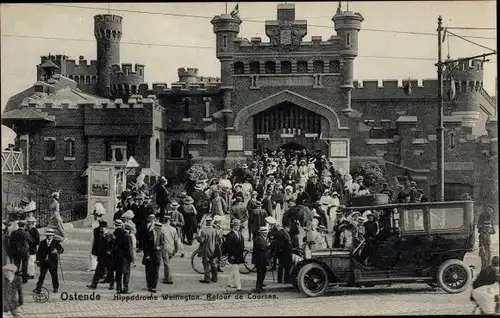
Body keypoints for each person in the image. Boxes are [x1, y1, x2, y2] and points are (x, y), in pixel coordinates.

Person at [87, 221, 115, 291]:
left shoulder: (111, 235)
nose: (101, 229)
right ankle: (93, 285)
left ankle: (112, 285)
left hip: (108, 257)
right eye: (101, 228)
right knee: (97, 272)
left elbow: (114, 246)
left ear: (106, 228)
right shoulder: (100, 235)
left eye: (103, 228)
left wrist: (109, 251)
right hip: (101, 257)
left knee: (110, 272)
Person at [34, 229, 64, 294]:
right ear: (46, 235)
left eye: (50, 235)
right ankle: (38, 289)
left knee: (54, 275)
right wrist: (37, 260)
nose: (49, 237)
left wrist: (57, 251)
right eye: (47, 235)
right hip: (44, 262)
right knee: (41, 276)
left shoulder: (56, 242)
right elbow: (38, 252)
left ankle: (55, 288)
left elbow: (61, 249)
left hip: (53, 262)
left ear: (52, 236)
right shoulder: (42, 242)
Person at [196, 216, 222, 284]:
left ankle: (207, 279)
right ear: (211, 223)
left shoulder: (203, 231)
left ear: (206, 223)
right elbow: (220, 238)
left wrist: (197, 237)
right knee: (213, 264)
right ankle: (215, 278)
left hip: (205, 250)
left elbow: (201, 240)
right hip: (213, 250)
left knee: (206, 264)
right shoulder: (215, 231)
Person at [269, 217, 293, 284]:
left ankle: (280, 280)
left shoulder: (280, 233)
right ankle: (286, 280)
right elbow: (281, 244)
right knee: (286, 267)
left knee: (281, 267)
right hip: (286, 253)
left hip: (282, 252)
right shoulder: (283, 233)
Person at [113, 219, 134, 294]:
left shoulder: (115, 233)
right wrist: (131, 259)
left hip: (116, 256)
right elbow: (129, 249)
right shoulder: (127, 236)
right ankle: (125, 288)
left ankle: (118, 289)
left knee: (118, 273)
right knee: (126, 273)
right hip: (125, 258)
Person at [143, 222, 165, 293]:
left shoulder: (161, 234)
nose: (159, 230)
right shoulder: (149, 234)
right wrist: (147, 255)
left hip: (157, 255)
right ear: (155, 228)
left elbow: (163, 243)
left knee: (156, 271)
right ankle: (149, 285)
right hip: (149, 255)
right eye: (158, 229)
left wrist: (160, 247)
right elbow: (145, 245)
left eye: (160, 229)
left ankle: (154, 287)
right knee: (149, 271)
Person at [225, 219, 244, 291]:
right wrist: (231, 255)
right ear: (234, 226)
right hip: (233, 256)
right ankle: (239, 285)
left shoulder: (239, 233)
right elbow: (228, 247)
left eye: (239, 225)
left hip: (239, 255)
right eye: (236, 225)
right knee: (236, 272)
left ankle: (229, 282)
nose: (238, 227)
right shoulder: (230, 235)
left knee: (233, 270)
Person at [160, 215, 179, 284]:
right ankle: (166, 276)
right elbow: (176, 240)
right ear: (169, 221)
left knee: (166, 263)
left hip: (164, 247)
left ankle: (168, 279)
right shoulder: (173, 229)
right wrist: (176, 249)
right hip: (171, 247)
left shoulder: (161, 228)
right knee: (167, 263)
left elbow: (160, 239)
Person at [252, 226, 270, 293]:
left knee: (263, 272)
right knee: (260, 274)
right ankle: (258, 288)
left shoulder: (262, 238)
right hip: (259, 259)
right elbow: (262, 247)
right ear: (262, 233)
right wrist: (267, 245)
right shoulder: (258, 238)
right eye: (265, 233)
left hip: (262, 259)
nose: (266, 234)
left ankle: (261, 284)